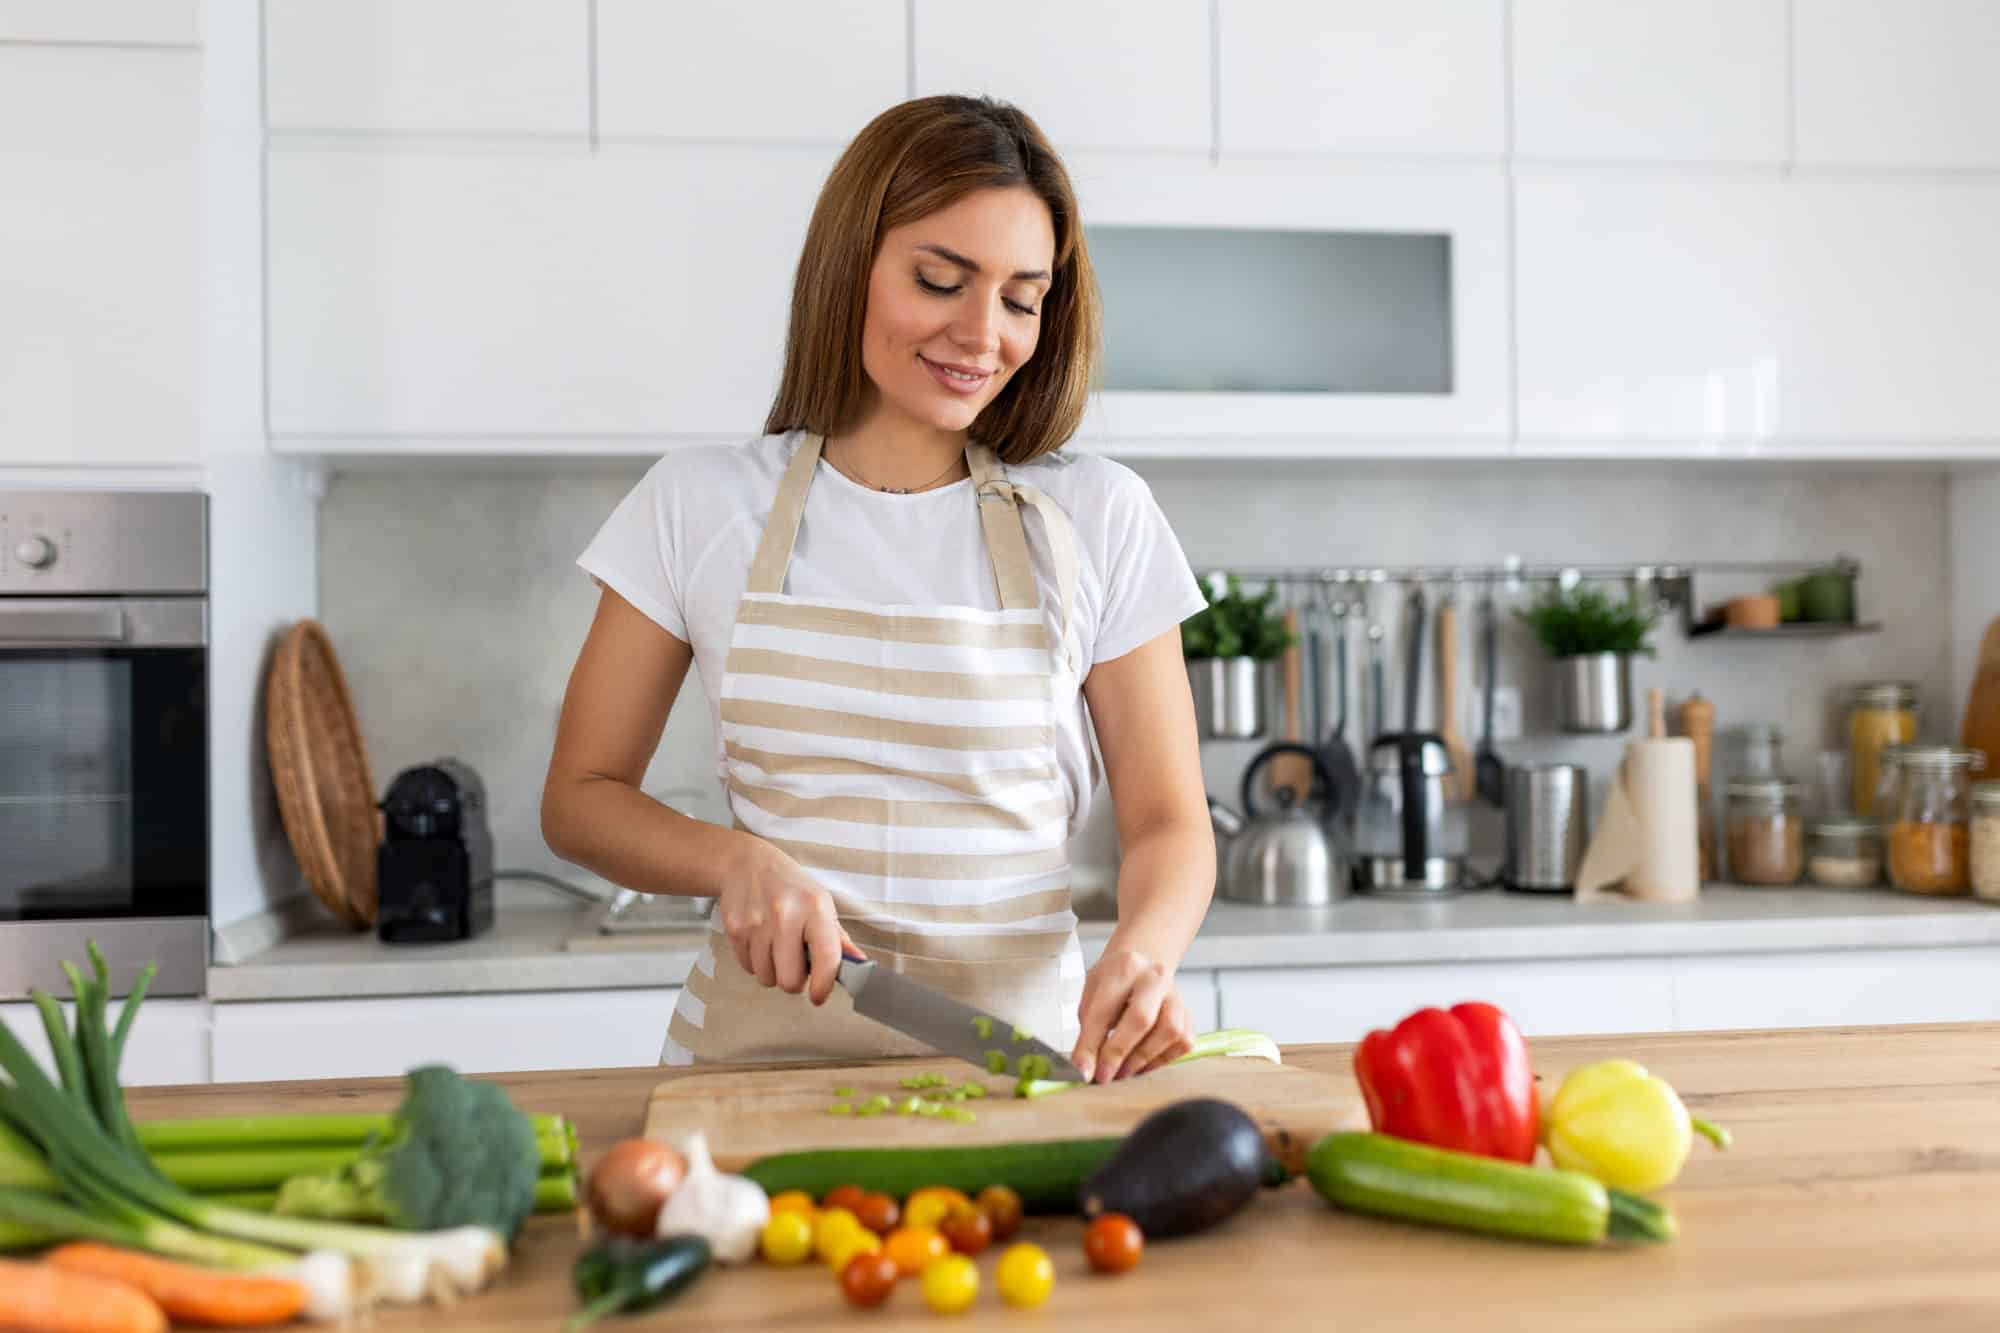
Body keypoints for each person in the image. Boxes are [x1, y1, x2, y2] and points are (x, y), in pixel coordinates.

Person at [542, 95, 1212, 1083]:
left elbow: (1167, 823)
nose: (982, 334)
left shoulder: (1097, 516)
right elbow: (580, 797)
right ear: (849, 262)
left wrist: (1143, 952)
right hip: (746, 1073)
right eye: (941, 280)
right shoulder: (697, 503)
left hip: (1021, 1070)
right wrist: (733, 862)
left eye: (1021, 298)